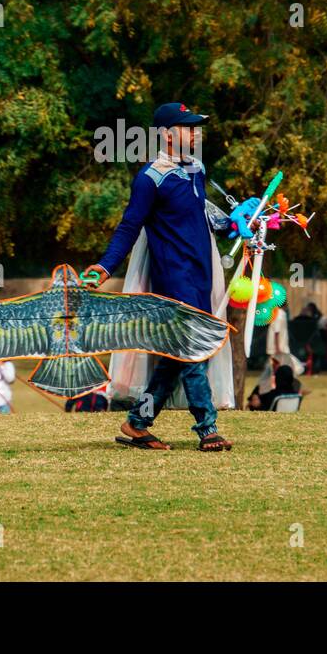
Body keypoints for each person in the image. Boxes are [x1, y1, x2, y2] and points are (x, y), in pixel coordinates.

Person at [83, 102, 233, 452]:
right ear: (167, 135)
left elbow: (202, 215)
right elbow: (129, 227)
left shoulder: (197, 169)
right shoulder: (150, 178)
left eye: (196, 127)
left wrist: (238, 222)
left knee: (176, 356)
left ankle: (137, 423)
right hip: (173, 278)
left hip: (202, 275)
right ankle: (207, 427)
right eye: (187, 127)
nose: (195, 132)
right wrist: (105, 267)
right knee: (193, 347)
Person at [248, 305, 305, 409]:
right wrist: (278, 347)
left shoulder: (273, 313)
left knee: (274, 372)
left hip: (277, 348)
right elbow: (277, 331)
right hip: (280, 349)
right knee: (280, 371)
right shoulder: (280, 314)